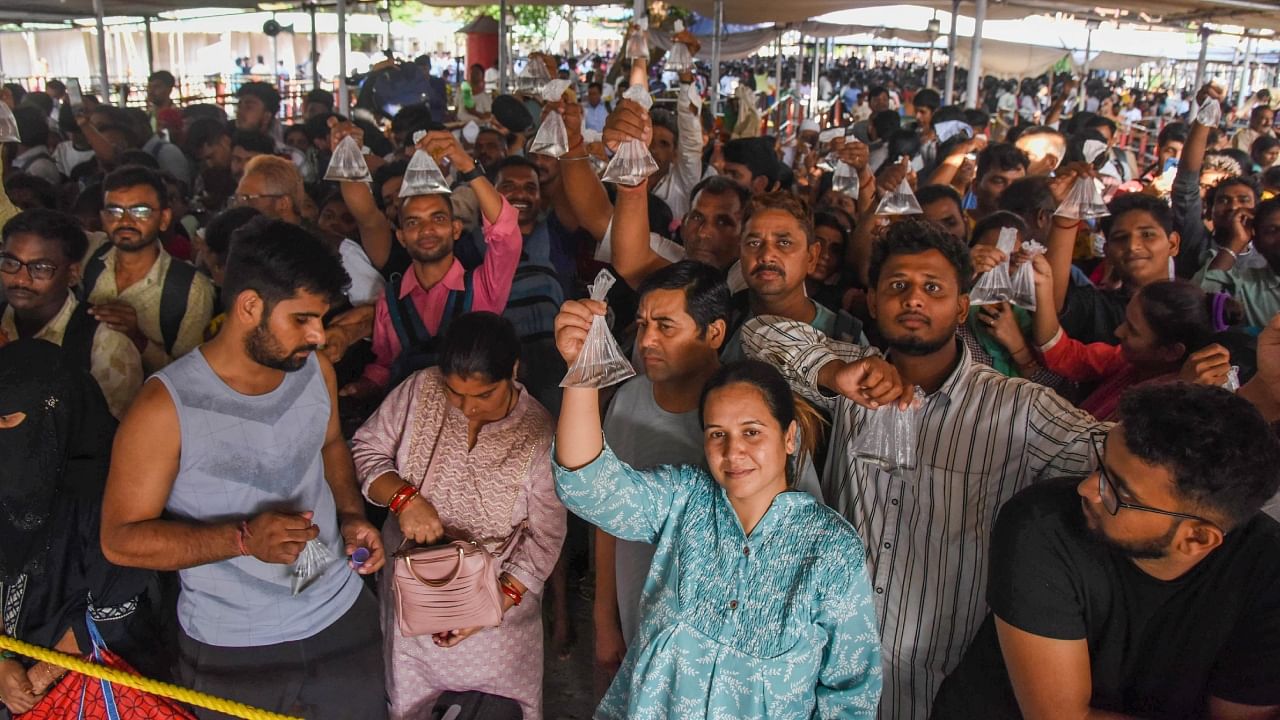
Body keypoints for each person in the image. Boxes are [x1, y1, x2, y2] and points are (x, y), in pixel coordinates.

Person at [744, 218, 1108, 720]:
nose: (913, 299)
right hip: (834, 670)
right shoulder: (855, 379)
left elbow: (1112, 454)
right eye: (897, 286)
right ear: (872, 302)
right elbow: (758, 333)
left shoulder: (1017, 409)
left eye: (932, 288)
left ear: (961, 307)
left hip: (946, 682)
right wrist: (832, 373)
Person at [99, 218, 387, 719]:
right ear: (250, 306)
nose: (319, 335)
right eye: (302, 319)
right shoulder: (165, 408)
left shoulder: (314, 370)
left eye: (322, 318)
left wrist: (351, 515)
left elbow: (332, 444)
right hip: (232, 647)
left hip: (341, 617)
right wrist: (240, 540)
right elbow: (120, 539)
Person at [553, 302, 885, 720]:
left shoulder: (830, 549)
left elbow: (850, 696)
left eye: (752, 431)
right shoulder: (684, 499)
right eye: (717, 434)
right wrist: (582, 372)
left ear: (789, 437)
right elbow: (588, 486)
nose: (733, 451)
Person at [932, 384, 1280, 719]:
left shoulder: (1268, 572)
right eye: (1101, 464)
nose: (1087, 488)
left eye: (1120, 492)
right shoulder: (1043, 523)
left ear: (1197, 539)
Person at [351, 311, 564, 719]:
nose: (466, 408)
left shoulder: (540, 433)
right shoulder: (419, 389)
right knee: (410, 704)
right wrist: (404, 499)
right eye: (454, 393)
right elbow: (366, 450)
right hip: (413, 597)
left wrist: (487, 608)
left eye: (483, 395)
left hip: (499, 612)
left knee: (504, 709)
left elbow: (546, 537)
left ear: (513, 372)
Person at [0, 340, 159, 716]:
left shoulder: (111, 487)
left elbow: (117, 607)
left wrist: (37, 680)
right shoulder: (9, 476)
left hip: (82, 690)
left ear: (53, 413)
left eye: (7, 419)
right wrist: (5, 665)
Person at [342, 130, 521, 398]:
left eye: (438, 219)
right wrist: (363, 386)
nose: (426, 230)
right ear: (401, 236)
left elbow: (505, 233)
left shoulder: (484, 286)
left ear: (456, 229)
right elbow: (385, 365)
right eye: (413, 222)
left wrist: (466, 166)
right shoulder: (389, 299)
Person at [1, 208, 142, 418]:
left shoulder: (106, 344)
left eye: (40, 268)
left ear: (73, 274)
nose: (21, 279)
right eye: (11, 263)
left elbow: (106, 437)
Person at [83, 165, 215, 373]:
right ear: (102, 218)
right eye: (114, 211)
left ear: (164, 219)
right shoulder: (89, 256)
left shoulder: (191, 289)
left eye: (140, 211)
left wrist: (138, 338)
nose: (125, 221)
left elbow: (191, 378)